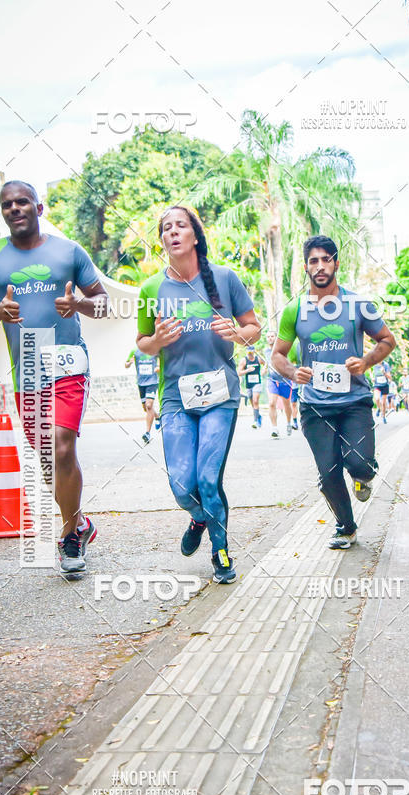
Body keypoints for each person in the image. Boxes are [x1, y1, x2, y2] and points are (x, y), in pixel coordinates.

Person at [0, 180, 108, 577]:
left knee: (63, 448)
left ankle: (68, 538)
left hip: (67, 364)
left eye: (22, 202)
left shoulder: (69, 252)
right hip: (27, 367)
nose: (15, 209)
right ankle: (80, 522)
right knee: (47, 461)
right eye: (7, 204)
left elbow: (102, 304)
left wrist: (78, 303)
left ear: (39, 207)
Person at [137, 206, 261, 584]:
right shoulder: (151, 289)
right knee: (181, 486)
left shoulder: (224, 279)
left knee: (208, 479)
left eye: (181, 226)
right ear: (162, 240)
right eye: (166, 228)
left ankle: (221, 551)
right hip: (176, 398)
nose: (173, 232)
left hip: (220, 394)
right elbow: (143, 344)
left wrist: (237, 334)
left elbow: (253, 327)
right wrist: (156, 340)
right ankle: (200, 517)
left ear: (195, 235)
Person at [272, 235, 396, 549]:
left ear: (336, 264)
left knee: (360, 464)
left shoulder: (358, 304)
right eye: (313, 260)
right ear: (306, 267)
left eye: (326, 259)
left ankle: (362, 474)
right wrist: (292, 371)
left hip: (354, 401)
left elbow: (387, 340)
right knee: (328, 474)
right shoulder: (295, 310)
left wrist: (366, 361)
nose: (320, 265)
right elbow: (277, 356)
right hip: (314, 405)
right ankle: (346, 526)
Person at [125, 347, 160, 443]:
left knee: (149, 406)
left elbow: (161, 361)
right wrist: (129, 363)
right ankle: (157, 416)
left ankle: (147, 433)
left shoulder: (155, 349)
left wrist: (158, 367)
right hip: (141, 383)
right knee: (146, 408)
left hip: (152, 382)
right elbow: (126, 365)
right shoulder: (134, 351)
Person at [265, 330, 293, 437]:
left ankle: (289, 423)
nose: (270, 338)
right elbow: (267, 363)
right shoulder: (266, 351)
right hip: (272, 380)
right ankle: (274, 428)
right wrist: (265, 368)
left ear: (276, 338)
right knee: (272, 403)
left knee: (287, 404)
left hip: (285, 380)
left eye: (272, 336)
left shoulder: (283, 350)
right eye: (268, 337)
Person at [238, 346, 263, 428]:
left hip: (257, 383)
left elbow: (266, 363)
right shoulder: (244, 360)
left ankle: (255, 421)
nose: (250, 355)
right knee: (253, 403)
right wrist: (247, 370)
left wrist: (264, 370)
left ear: (254, 352)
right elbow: (239, 372)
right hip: (249, 385)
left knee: (256, 401)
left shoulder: (258, 359)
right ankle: (258, 416)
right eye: (248, 353)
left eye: (251, 353)